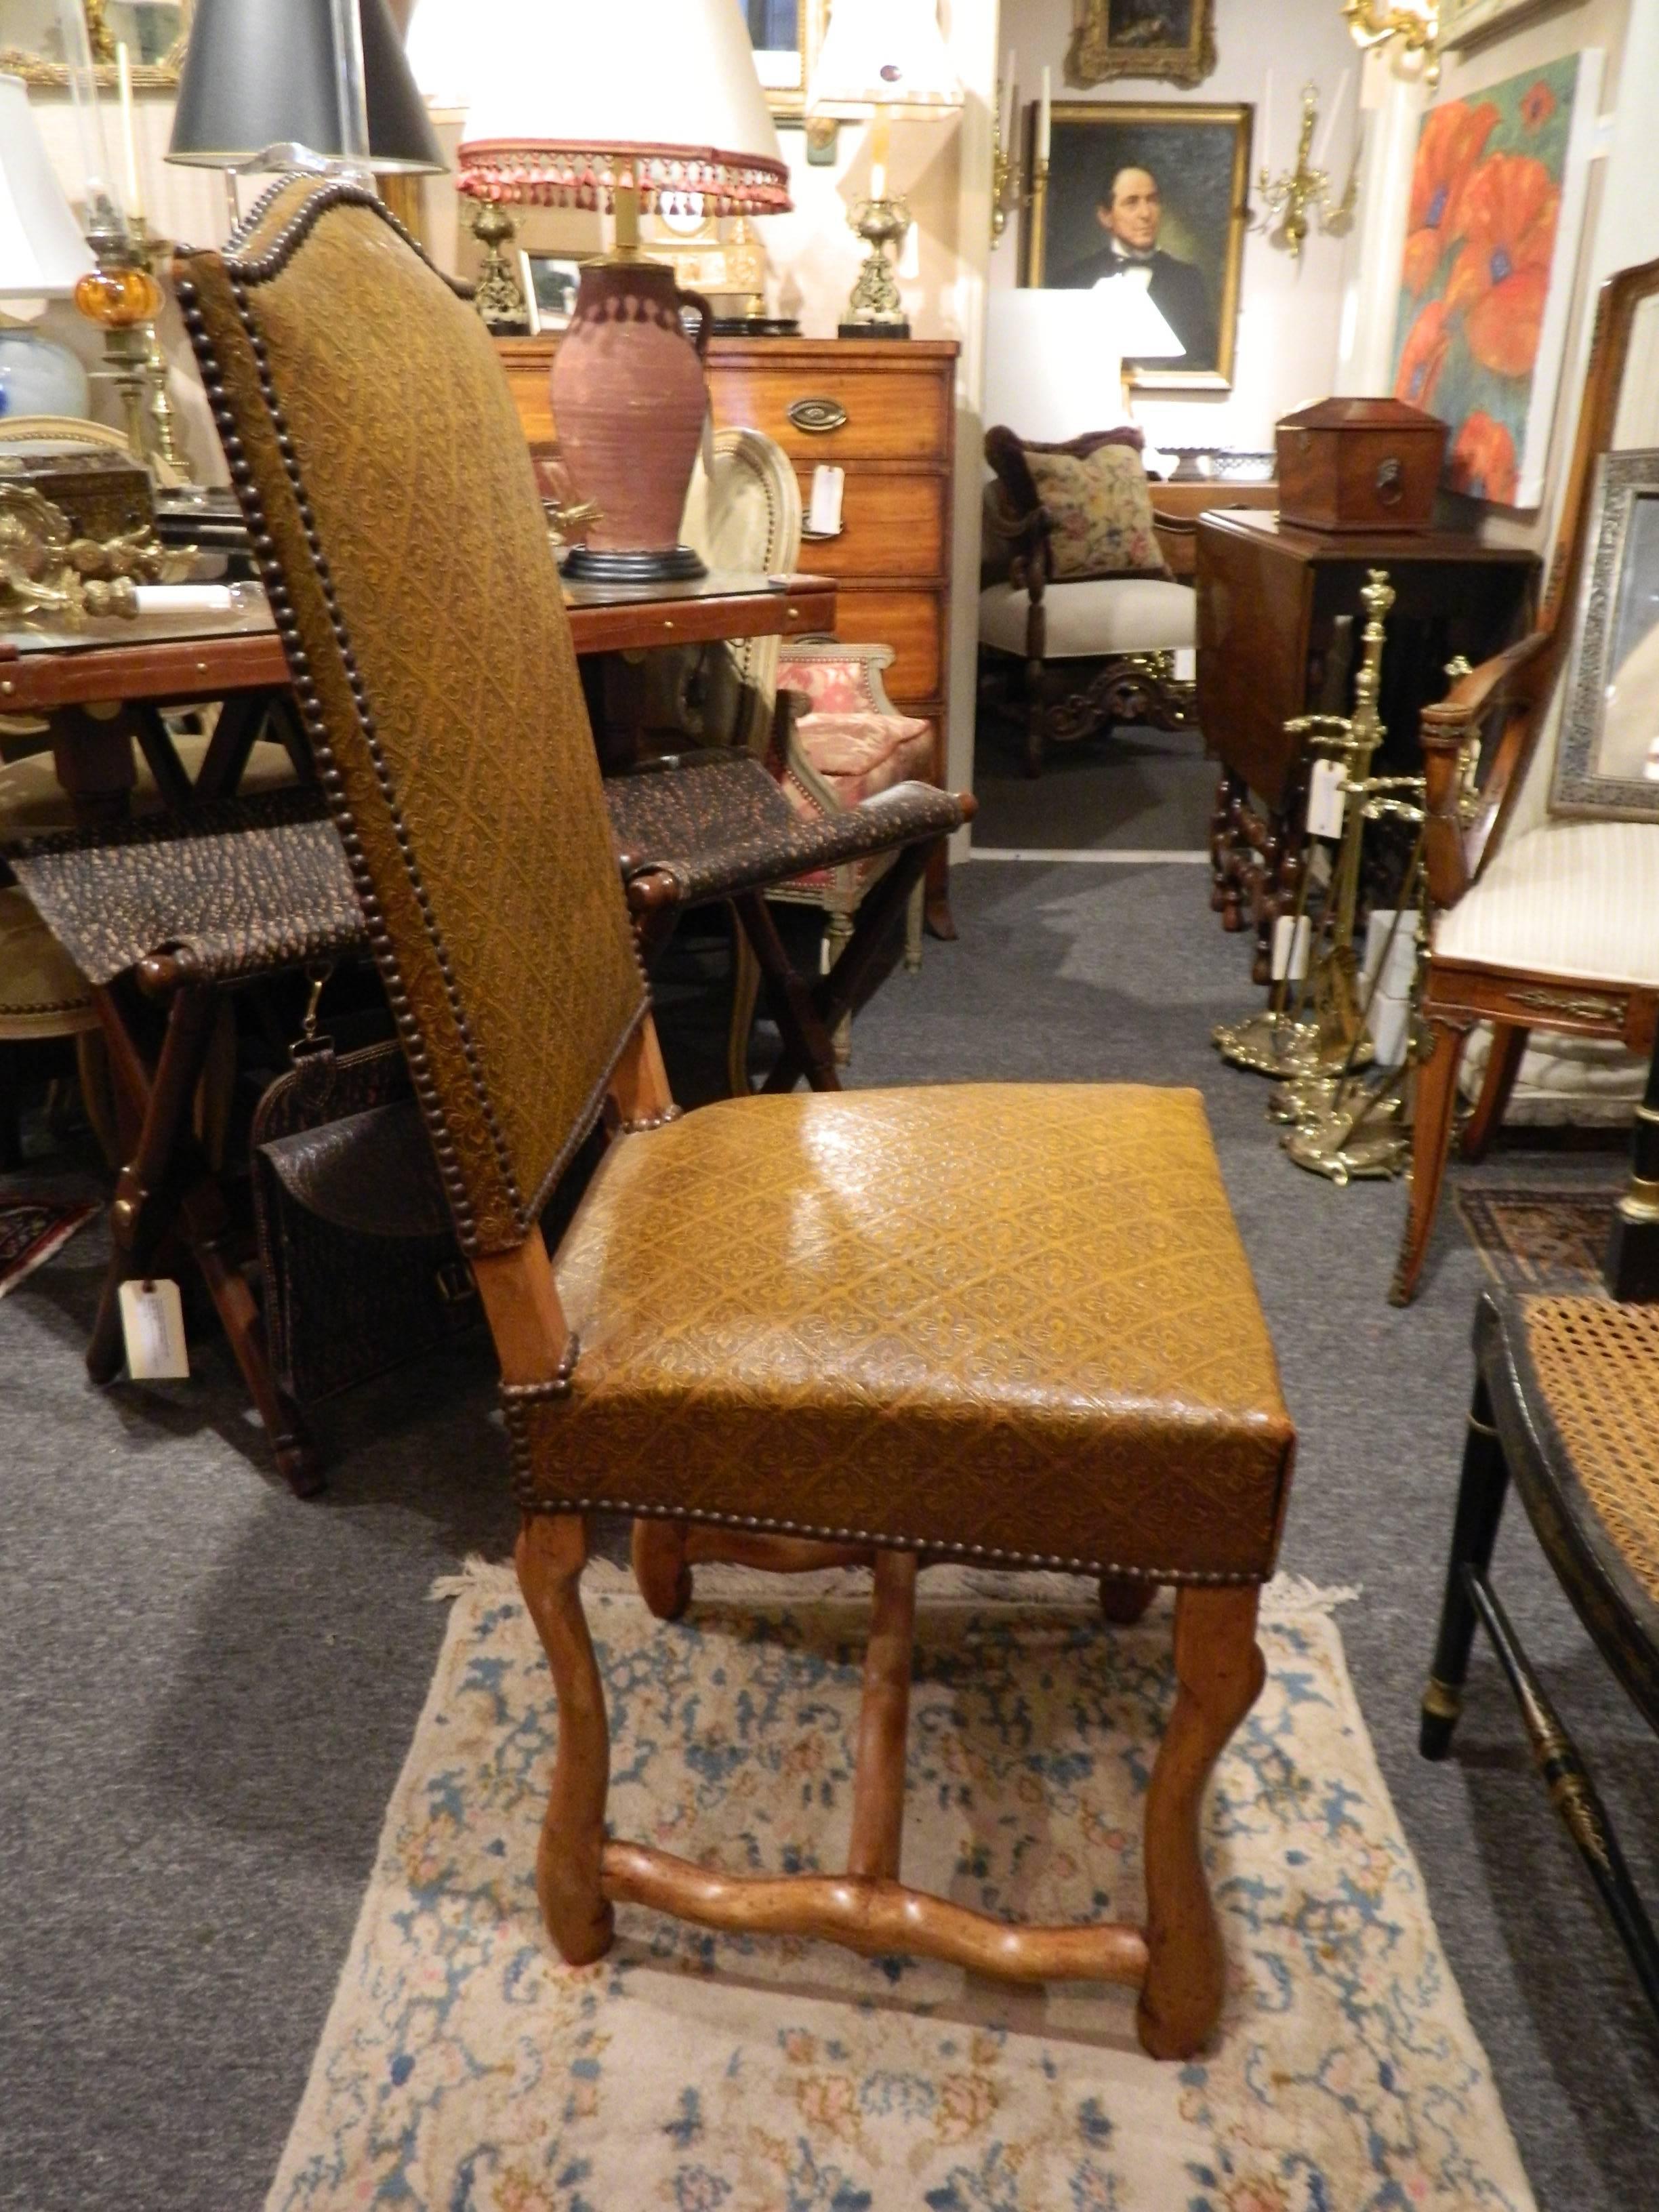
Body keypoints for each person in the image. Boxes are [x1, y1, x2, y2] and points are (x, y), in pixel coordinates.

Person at [1055, 163, 1217, 369]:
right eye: (1131, 203)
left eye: (1152, 201)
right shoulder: (1075, 279)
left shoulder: (1188, 280)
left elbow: (1203, 360)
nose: (1145, 214)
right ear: (1105, 216)